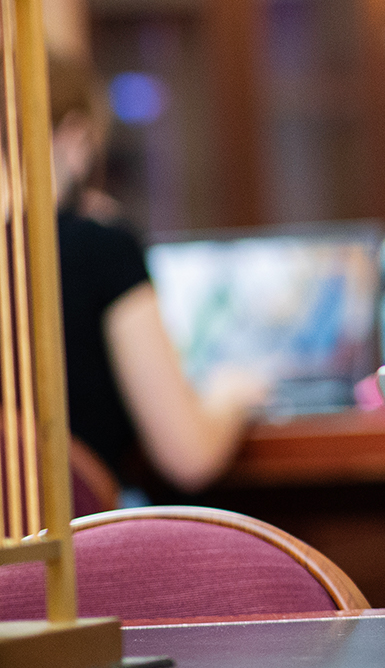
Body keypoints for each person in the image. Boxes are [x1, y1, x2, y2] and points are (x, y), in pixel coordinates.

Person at [49, 55, 268, 495]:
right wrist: (234, 394)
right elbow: (187, 455)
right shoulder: (97, 247)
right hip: (80, 550)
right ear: (75, 139)